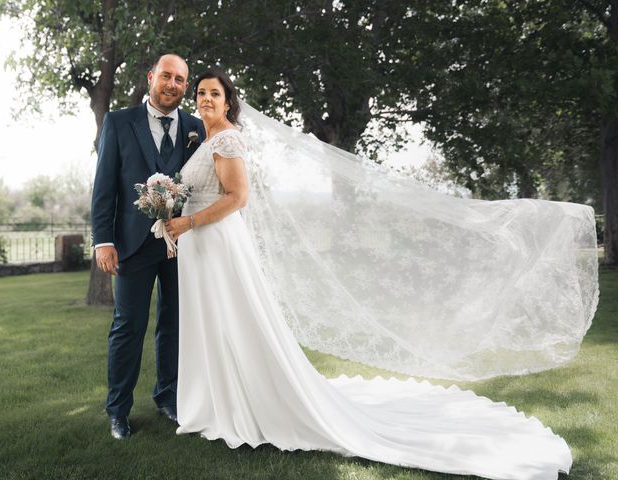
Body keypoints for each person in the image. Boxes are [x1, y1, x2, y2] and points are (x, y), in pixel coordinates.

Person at [164, 69, 587, 480]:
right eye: (200, 92)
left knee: (231, 322)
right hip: (203, 248)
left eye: (214, 93)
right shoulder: (206, 138)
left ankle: (243, 405)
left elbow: (239, 197)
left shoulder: (229, 140)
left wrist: (188, 223)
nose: (204, 99)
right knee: (212, 325)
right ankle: (216, 403)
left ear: (228, 101)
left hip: (216, 241)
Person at [91, 54, 205, 440]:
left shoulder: (196, 128)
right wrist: (103, 241)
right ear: (151, 77)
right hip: (132, 246)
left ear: (184, 87)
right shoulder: (119, 122)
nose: (172, 84)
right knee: (128, 327)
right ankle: (118, 411)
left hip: (183, 245)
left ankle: (168, 397)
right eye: (166, 76)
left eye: (180, 80)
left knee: (174, 325)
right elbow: (104, 187)